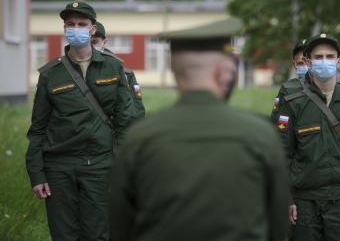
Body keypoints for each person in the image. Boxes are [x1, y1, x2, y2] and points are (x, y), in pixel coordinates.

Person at [109, 38, 290, 241]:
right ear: (223, 73)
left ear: (175, 74)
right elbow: (277, 222)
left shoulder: (138, 138)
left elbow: (120, 224)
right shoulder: (261, 135)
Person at [26, 1, 140, 241]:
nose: (75, 28)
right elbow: (38, 129)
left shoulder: (113, 67)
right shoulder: (50, 74)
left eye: (81, 24)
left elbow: (126, 121)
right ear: (64, 28)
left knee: (98, 233)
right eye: (70, 24)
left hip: (100, 165)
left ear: (92, 29)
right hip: (59, 167)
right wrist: (37, 174)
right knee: (64, 235)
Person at [271, 33, 340, 241]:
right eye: (318, 57)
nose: (324, 61)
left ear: (339, 60)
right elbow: (282, 153)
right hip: (303, 202)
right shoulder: (293, 101)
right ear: (308, 61)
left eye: (329, 56)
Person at [91, 21, 146, 116]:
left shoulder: (126, 73)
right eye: (86, 42)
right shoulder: (70, 71)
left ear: (104, 42)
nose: (90, 47)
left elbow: (138, 107)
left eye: (94, 42)